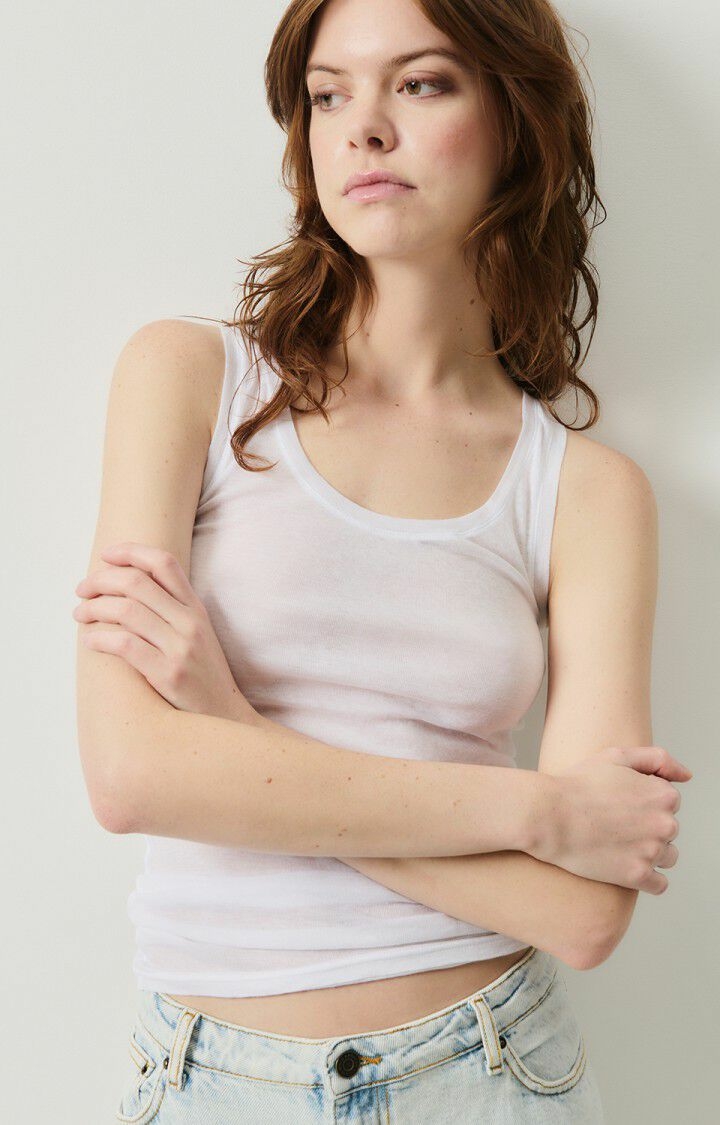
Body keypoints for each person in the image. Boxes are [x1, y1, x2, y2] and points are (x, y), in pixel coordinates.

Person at [74, 0, 692, 1120]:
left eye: (421, 83)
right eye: (329, 93)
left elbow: (584, 913)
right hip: (214, 1080)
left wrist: (231, 726)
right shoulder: (191, 382)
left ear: (515, 122)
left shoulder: (587, 492)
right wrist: (537, 814)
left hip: (492, 1069)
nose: (362, 125)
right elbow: (131, 778)